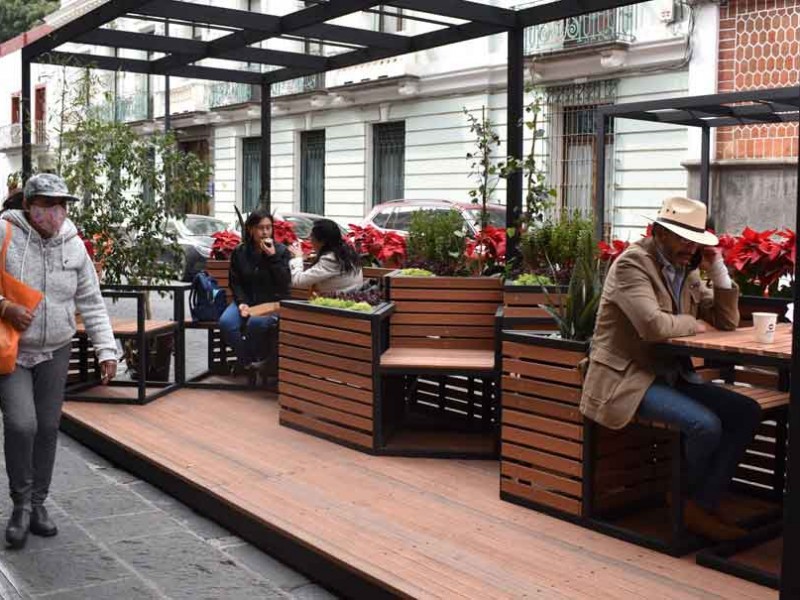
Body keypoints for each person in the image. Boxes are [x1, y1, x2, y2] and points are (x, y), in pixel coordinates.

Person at [580, 196, 761, 542]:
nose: (689, 246)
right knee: (704, 425)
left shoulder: (687, 269)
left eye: (695, 240)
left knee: (745, 411)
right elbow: (651, 325)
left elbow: (725, 320)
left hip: (670, 375)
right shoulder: (632, 264)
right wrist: (693, 324)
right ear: (660, 232)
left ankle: (698, 504)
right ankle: (686, 503)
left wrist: (717, 267)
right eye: (681, 237)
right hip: (627, 378)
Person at [0, 173, 117, 549]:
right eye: (48, 206)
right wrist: (4, 307)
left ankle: (37, 505)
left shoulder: (73, 243)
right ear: (29, 208)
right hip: (14, 349)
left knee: (48, 427)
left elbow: (91, 301)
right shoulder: (4, 233)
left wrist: (106, 349)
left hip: (56, 347)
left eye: (61, 206)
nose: (56, 214)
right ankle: (19, 504)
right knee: (22, 425)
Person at [221, 209, 291, 372]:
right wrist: (242, 302)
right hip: (247, 301)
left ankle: (251, 363)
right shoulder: (240, 252)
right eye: (261, 228)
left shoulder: (280, 251)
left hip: (272, 304)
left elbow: (284, 283)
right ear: (251, 229)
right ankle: (249, 362)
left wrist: (273, 258)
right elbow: (235, 282)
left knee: (256, 323)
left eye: (268, 227)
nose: (265, 232)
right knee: (227, 323)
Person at [288, 219, 363, 294]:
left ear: (322, 241)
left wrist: (297, 258)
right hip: (348, 298)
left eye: (311, 236)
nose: (309, 239)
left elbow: (298, 281)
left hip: (336, 303)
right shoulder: (345, 252)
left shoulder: (331, 259)